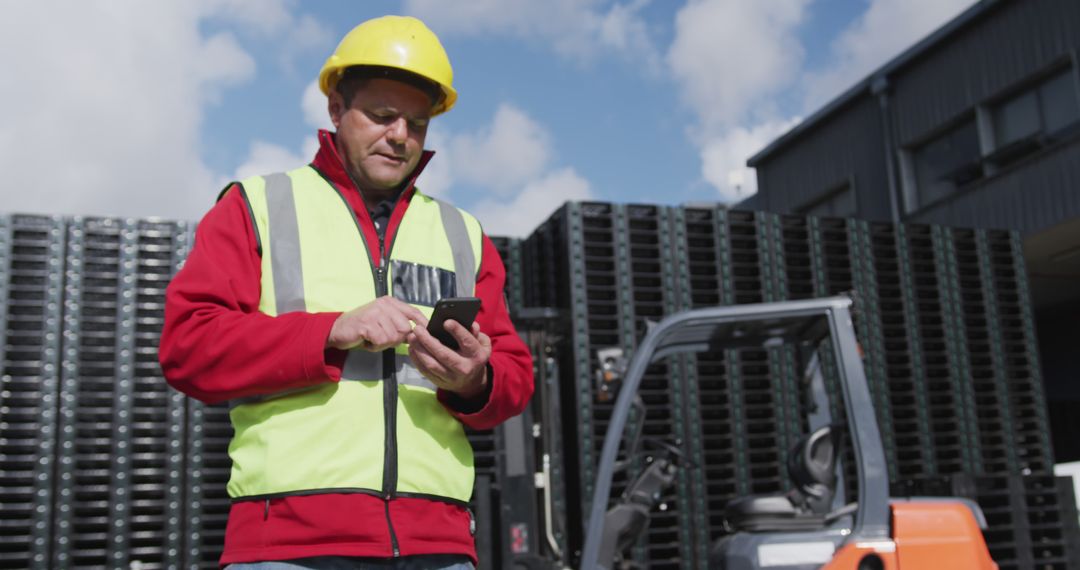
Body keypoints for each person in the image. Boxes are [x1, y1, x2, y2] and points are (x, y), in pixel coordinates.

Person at [159, 15, 534, 569]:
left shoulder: (464, 235)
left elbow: (515, 374)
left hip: (439, 546)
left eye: (417, 123)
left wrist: (476, 380)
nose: (401, 135)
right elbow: (188, 348)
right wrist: (331, 332)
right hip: (289, 544)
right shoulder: (258, 207)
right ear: (336, 109)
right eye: (382, 116)